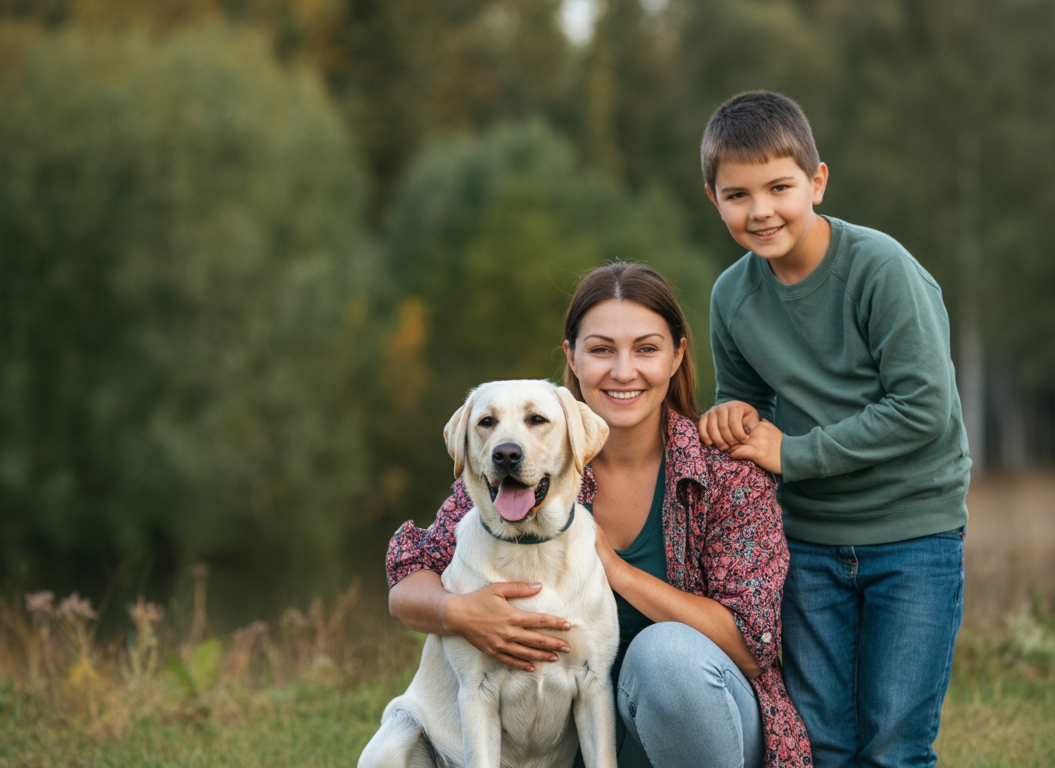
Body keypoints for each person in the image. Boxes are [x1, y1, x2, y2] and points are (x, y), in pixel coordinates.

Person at [383, 262, 812, 768]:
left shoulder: (725, 474)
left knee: (665, 657)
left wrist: (617, 570)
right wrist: (458, 612)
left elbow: (750, 644)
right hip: (581, 747)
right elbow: (408, 579)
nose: (623, 371)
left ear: (677, 355)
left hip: (707, 727)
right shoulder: (518, 470)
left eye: (646, 349)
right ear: (573, 356)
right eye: (601, 349)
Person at [696, 90, 971, 768]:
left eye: (779, 187)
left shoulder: (879, 270)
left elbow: (922, 410)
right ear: (714, 200)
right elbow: (745, 404)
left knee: (895, 743)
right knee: (822, 743)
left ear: (817, 182)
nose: (760, 210)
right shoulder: (732, 297)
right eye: (737, 195)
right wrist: (730, 417)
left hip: (912, 536)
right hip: (809, 546)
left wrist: (793, 453)